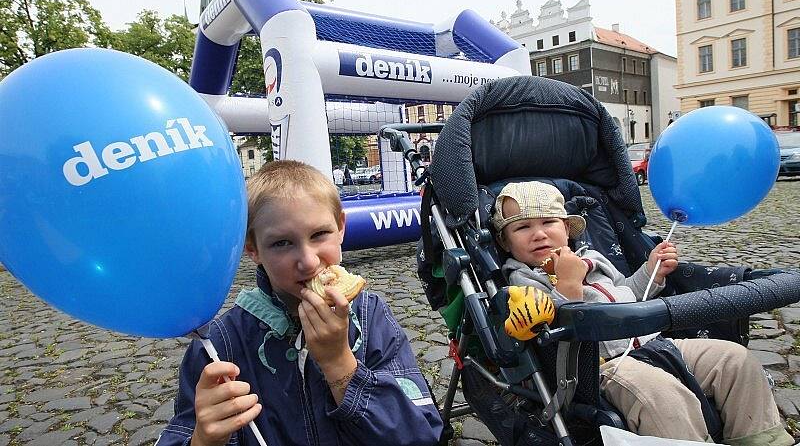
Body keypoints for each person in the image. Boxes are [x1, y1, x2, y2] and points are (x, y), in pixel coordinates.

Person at [158, 160, 443, 446]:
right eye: (282, 243)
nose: (308, 262)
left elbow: (421, 435)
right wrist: (203, 440)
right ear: (252, 249)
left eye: (319, 235)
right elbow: (181, 433)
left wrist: (339, 364)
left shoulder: (372, 318)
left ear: (341, 227)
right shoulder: (220, 345)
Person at [490, 181, 793, 445]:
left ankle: (761, 437)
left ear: (567, 229)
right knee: (662, 396)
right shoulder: (522, 278)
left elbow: (631, 292)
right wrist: (568, 285)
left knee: (734, 360)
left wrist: (652, 271)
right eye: (523, 227)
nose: (539, 234)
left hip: (655, 343)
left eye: (548, 223)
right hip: (601, 367)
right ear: (505, 241)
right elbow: (547, 327)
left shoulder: (593, 258)